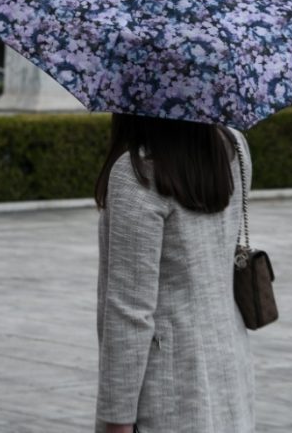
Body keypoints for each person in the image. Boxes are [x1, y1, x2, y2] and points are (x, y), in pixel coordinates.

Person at [93, 115, 255, 433]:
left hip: (166, 391)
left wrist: (117, 417)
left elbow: (130, 311)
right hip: (229, 371)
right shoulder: (234, 146)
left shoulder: (138, 173)